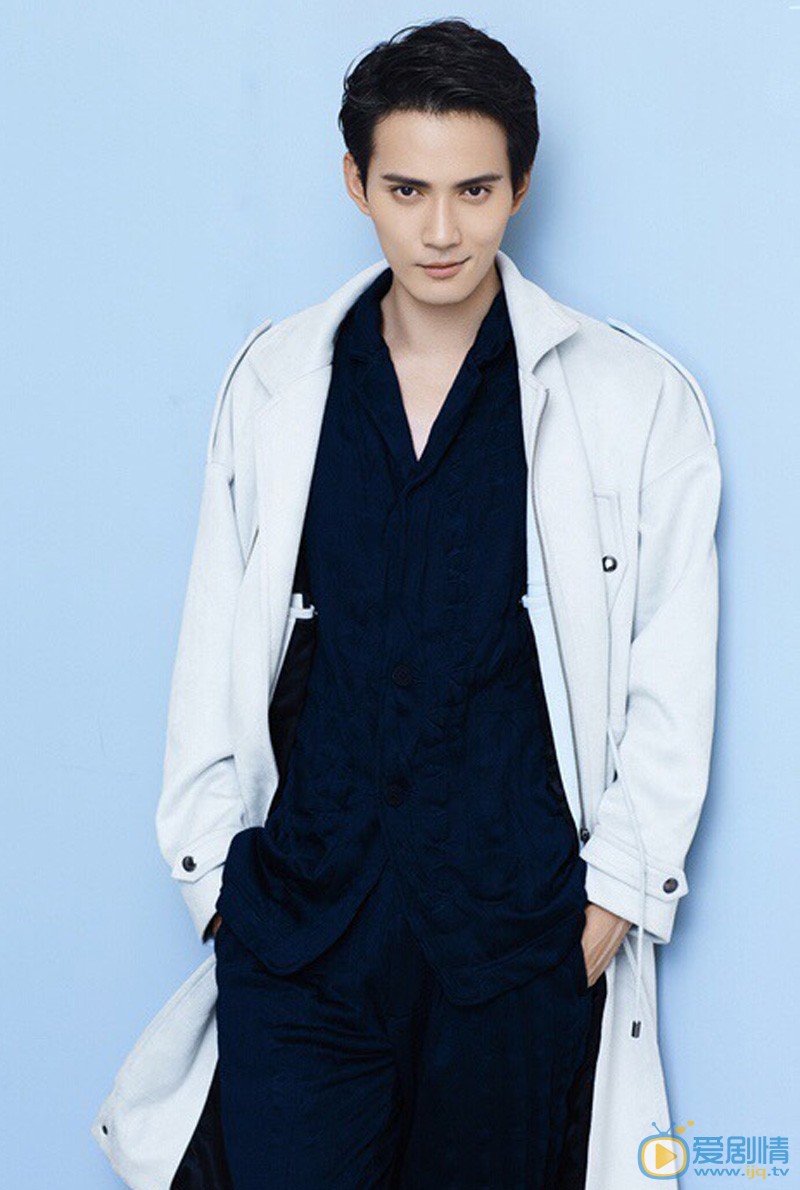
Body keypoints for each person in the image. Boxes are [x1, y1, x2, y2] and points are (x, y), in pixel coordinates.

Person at [152, 17, 721, 1190]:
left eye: (475, 189)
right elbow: (213, 636)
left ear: (520, 183)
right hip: (304, 934)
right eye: (406, 189)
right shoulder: (278, 380)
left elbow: (672, 667)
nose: (441, 230)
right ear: (354, 182)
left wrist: (612, 899)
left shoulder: (630, 399)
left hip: (513, 948)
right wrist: (218, 890)